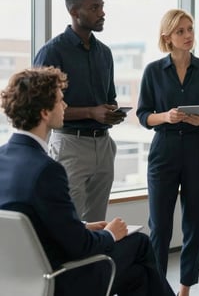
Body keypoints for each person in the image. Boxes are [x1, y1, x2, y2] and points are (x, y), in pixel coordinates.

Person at [0, 66, 175, 296]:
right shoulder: (47, 170)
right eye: (61, 100)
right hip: (60, 279)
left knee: (138, 277)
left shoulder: (4, 158)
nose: (64, 106)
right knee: (140, 244)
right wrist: (111, 233)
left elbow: (32, 223)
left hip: (17, 278)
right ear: (44, 112)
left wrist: (81, 226)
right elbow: (80, 247)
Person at [136, 8, 199, 296]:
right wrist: (166, 116)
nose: (188, 36)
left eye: (190, 29)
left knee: (194, 223)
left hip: (198, 149)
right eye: (180, 31)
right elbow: (143, 115)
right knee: (159, 226)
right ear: (167, 37)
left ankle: (185, 288)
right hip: (164, 149)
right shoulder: (153, 71)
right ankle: (158, 287)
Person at [33, 0, 126, 222]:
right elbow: (41, 109)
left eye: (102, 6)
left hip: (104, 146)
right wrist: (91, 112)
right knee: (68, 222)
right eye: (94, 8)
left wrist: (111, 111)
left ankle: (95, 262)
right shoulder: (52, 52)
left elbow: (109, 98)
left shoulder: (104, 53)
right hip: (70, 145)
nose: (102, 12)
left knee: (97, 222)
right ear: (74, 11)